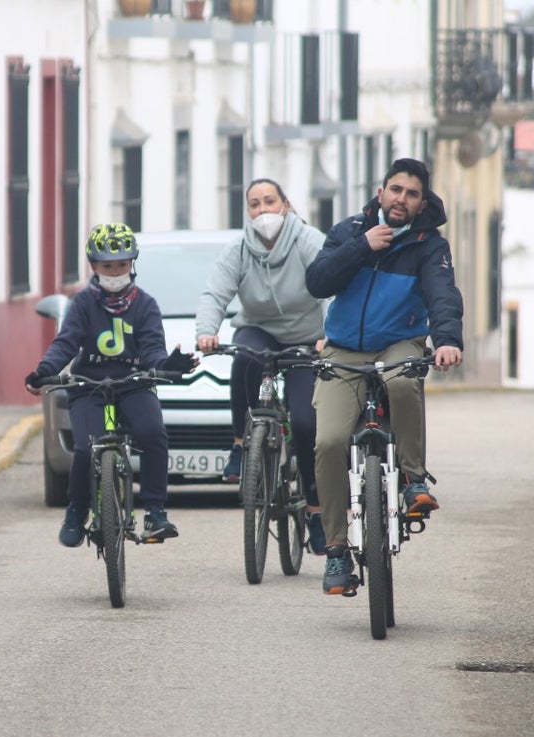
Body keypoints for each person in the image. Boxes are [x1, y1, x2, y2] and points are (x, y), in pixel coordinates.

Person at [305, 158, 463, 595]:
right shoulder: (350, 231)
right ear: (381, 192)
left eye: (412, 194)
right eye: (396, 190)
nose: (402, 199)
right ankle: (336, 550)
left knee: (400, 382)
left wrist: (448, 339)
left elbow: (443, 295)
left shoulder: (429, 245)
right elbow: (316, 282)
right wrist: (361, 248)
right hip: (344, 349)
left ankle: (413, 480)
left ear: (422, 202)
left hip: (399, 342)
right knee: (329, 442)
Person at [25, 222, 198, 547]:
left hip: (133, 384)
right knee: (83, 447)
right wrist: (44, 371)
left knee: (153, 434)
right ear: (94, 266)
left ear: (133, 263)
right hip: (87, 386)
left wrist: (167, 367)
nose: (115, 271)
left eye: (122, 264)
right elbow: (66, 343)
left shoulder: (145, 305)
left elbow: (152, 349)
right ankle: (76, 510)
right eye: (107, 266)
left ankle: (156, 512)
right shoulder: (82, 304)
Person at [195, 178, 328, 554]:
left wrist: (329, 335)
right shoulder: (238, 249)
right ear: (248, 212)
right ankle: (240, 444)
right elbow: (215, 292)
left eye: (270, 202)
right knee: (244, 358)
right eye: (254, 204)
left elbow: (331, 288)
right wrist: (206, 331)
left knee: (305, 422)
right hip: (260, 330)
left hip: (308, 338)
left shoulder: (308, 241)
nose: (263, 211)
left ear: (285, 205)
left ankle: (316, 513)